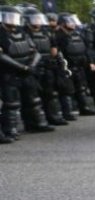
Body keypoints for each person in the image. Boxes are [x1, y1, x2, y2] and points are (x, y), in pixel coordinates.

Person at [0, 5, 55, 139]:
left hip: (27, 71)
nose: (12, 21)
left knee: (33, 99)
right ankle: (11, 129)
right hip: (9, 72)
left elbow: (35, 51)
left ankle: (37, 123)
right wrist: (21, 67)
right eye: (9, 17)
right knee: (11, 103)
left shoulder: (22, 32)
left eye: (14, 17)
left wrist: (31, 65)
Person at [22, 6, 69, 126]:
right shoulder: (24, 32)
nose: (37, 21)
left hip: (47, 65)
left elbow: (54, 48)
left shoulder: (46, 32)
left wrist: (57, 62)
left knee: (50, 93)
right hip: (32, 66)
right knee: (33, 97)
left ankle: (52, 117)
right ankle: (33, 122)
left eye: (38, 18)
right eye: (34, 19)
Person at [54, 13, 95, 117]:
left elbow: (85, 49)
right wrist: (62, 66)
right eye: (69, 22)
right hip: (66, 67)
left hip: (79, 66)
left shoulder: (77, 34)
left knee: (81, 88)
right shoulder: (58, 36)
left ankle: (84, 108)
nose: (73, 24)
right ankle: (67, 112)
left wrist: (90, 62)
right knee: (67, 90)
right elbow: (57, 52)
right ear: (62, 23)